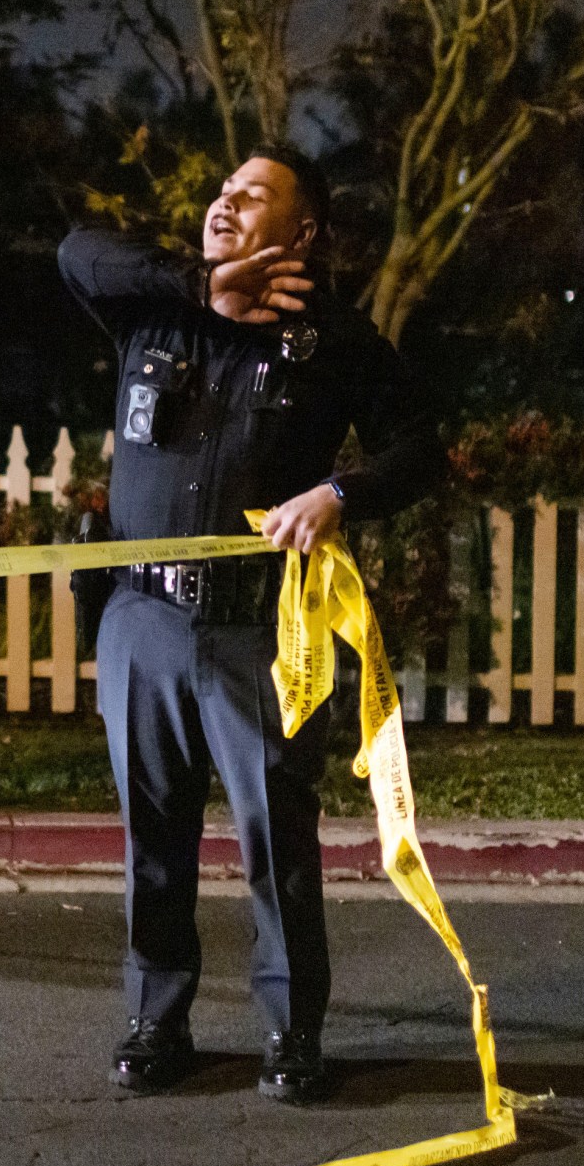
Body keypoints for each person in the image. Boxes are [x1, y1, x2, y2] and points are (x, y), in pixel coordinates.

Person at [57, 145, 441, 1105]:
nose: (225, 203)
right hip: (140, 617)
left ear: (303, 232)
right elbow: (75, 251)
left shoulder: (334, 341)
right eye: (221, 190)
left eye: (253, 196)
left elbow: (421, 448)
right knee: (154, 835)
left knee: (276, 838)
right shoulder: (152, 307)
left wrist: (340, 492)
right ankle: (158, 1020)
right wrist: (203, 287)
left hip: (257, 633)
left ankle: (291, 1031)